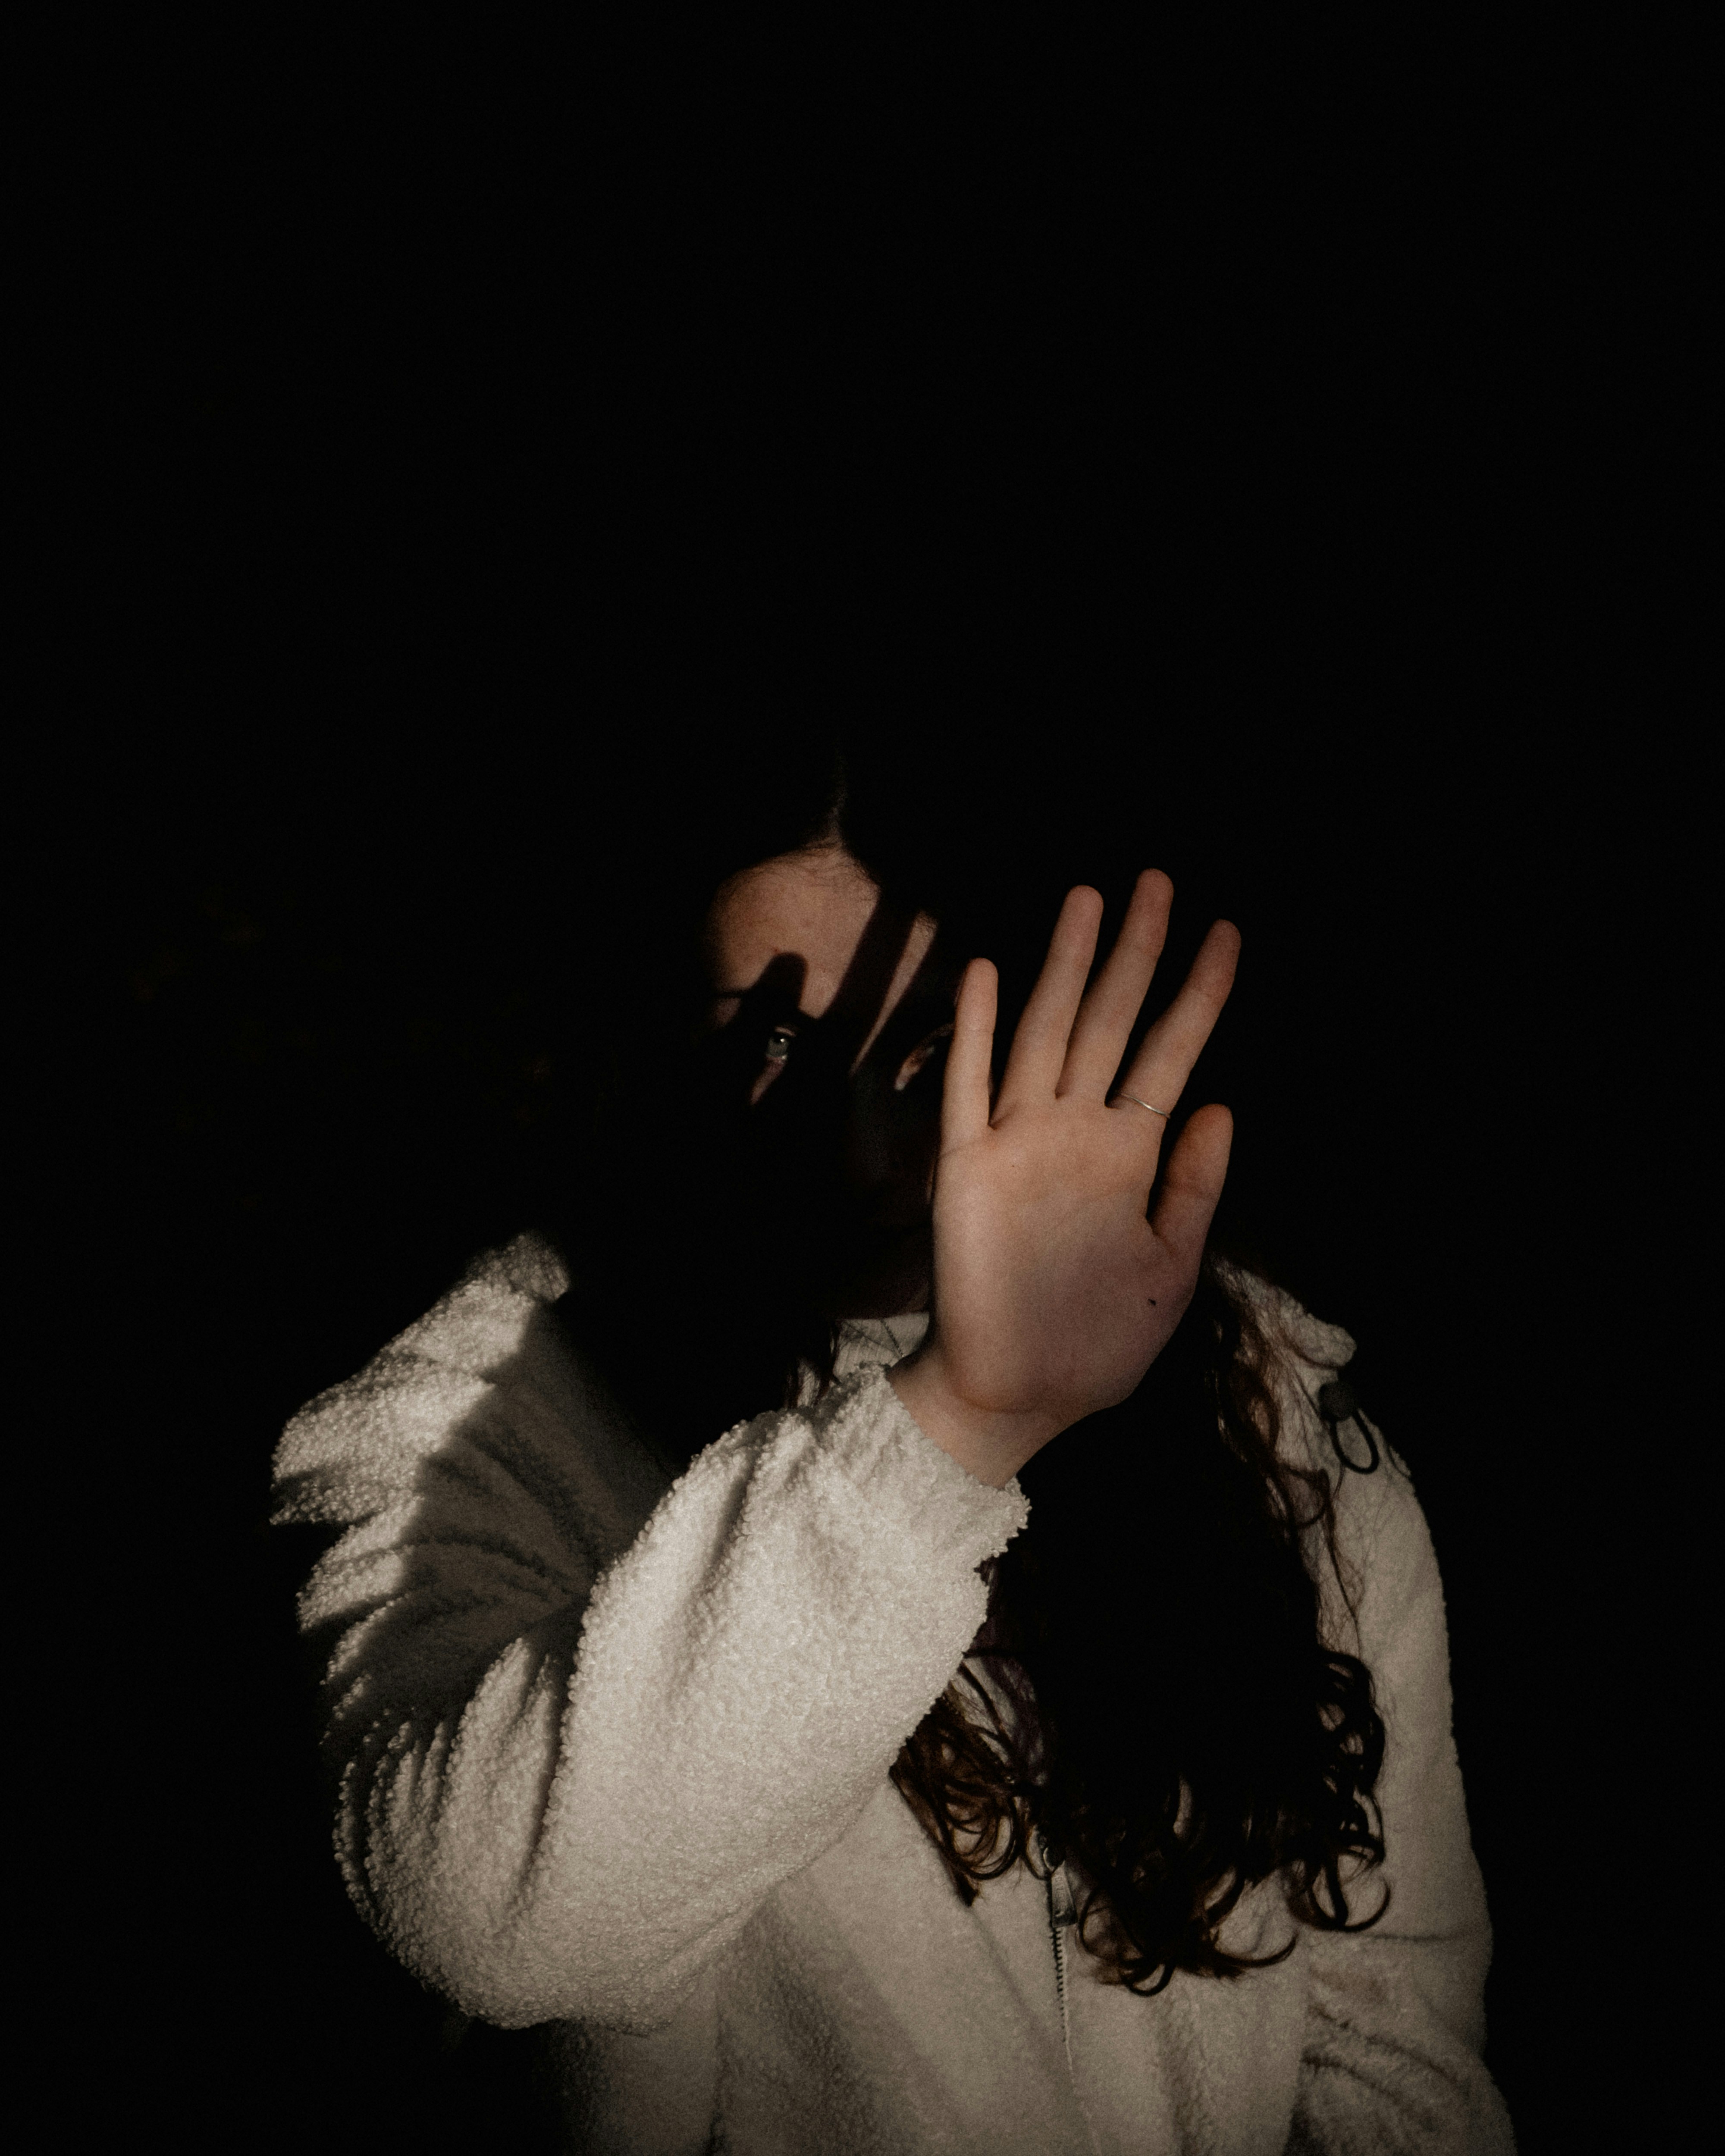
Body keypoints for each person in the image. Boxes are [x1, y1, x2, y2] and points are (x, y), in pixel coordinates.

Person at [271, 737, 1515, 2152]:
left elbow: (1395, 2045)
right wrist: (956, 1430)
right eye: (773, 1044)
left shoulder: (1271, 1414)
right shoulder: (467, 1421)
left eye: (934, 1053)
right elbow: (491, 1924)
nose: (862, 1152)